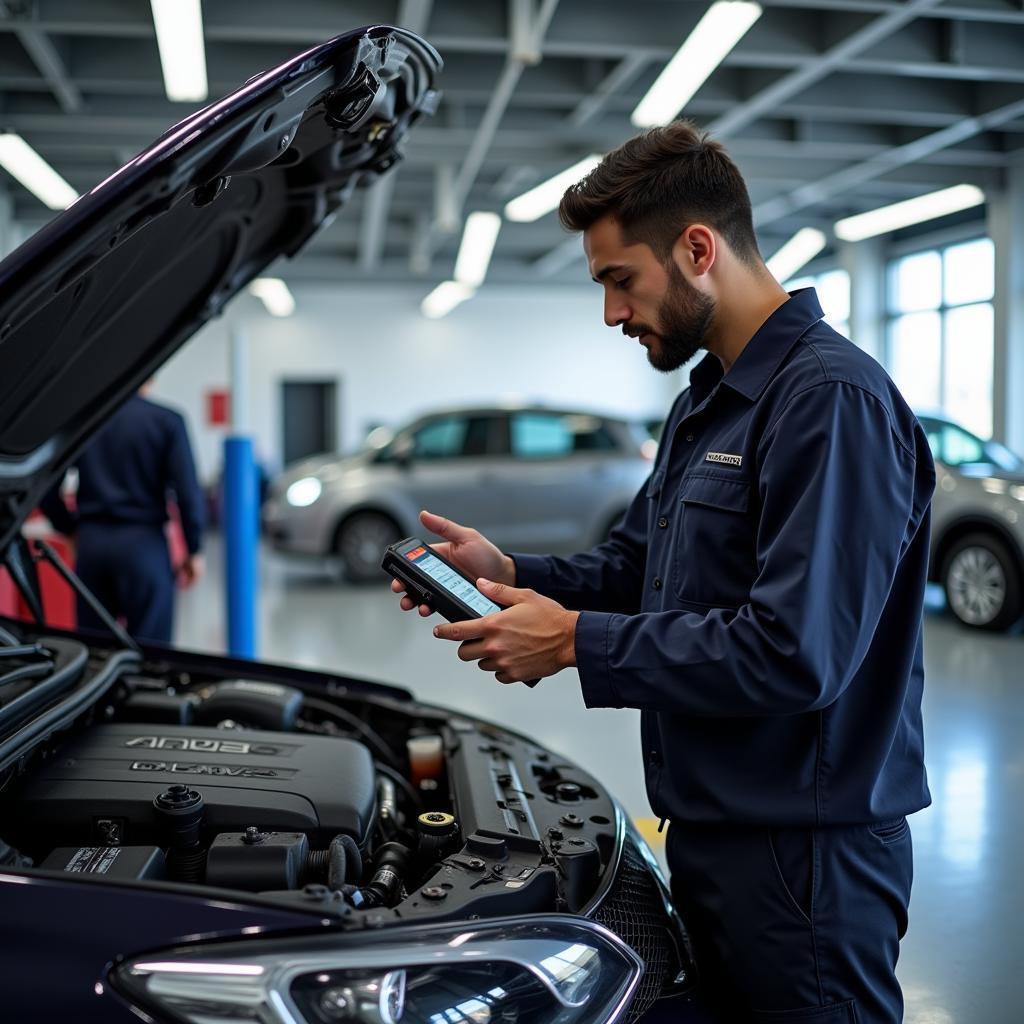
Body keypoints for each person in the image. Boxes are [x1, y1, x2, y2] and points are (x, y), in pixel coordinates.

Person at [391, 121, 934, 1024]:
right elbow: (639, 567)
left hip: (806, 861)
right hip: (715, 832)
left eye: (619, 280)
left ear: (696, 249)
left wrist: (573, 642)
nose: (612, 314)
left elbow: (796, 652)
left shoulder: (829, 402)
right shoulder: (705, 403)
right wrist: (512, 569)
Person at [41, 382, 205, 644]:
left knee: (94, 650)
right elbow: (188, 492)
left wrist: (69, 528)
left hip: (92, 546)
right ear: (151, 378)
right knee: (152, 653)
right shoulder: (166, 421)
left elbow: (47, 486)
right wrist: (194, 549)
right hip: (143, 546)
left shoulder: (85, 421)